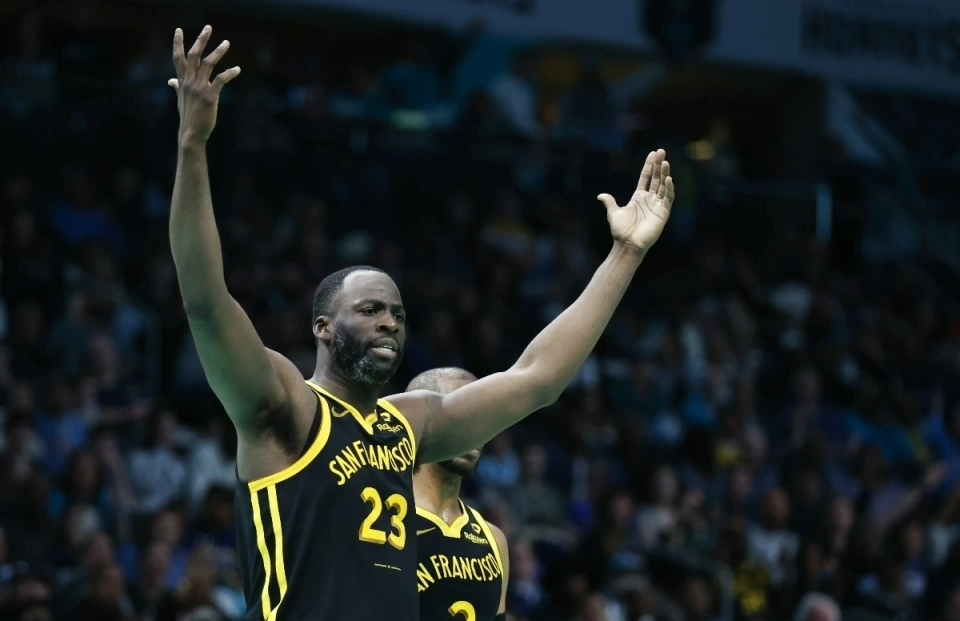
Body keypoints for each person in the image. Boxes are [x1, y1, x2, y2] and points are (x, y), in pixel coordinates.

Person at [167, 25, 675, 621]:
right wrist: (192, 146)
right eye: (370, 310)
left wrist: (625, 254)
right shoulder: (287, 407)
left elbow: (537, 378)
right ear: (323, 327)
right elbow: (206, 301)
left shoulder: (408, 426)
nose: (389, 322)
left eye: (398, 315)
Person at [409, 368, 508, 621]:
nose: (474, 428)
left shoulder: (494, 540)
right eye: (460, 413)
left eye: (481, 416)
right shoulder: (380, 521)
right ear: (419, 421)